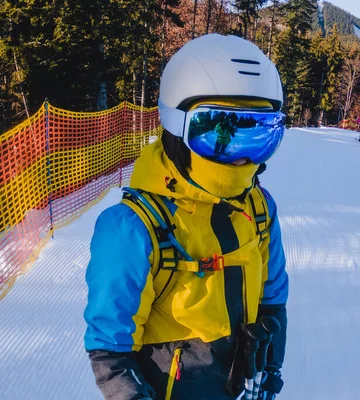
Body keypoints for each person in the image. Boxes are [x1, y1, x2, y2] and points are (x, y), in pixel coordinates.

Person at [84, 34, 288, 400]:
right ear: (176, 127)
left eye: (259, 136)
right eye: (220, 135)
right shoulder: (133, 227)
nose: (241, 160)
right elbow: (110, 348)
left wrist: (271, 365)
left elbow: (272, 296)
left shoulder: (259, 209)